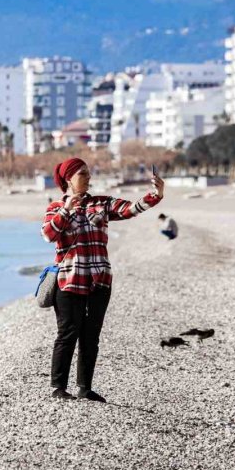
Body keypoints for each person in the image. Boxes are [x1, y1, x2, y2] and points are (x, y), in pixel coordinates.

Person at [41, 157, 164, 402]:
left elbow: (130, 209)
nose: (88, 178)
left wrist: (155, 195)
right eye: (82, 174)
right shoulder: (56, 208)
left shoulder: (101, 203)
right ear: (68, 179)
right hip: (69, 280)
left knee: (91, 335)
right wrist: (67, 210)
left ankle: (85, 388)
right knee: (68, 333)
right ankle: (58, 388)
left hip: (100, 280)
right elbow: (48, 235)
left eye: (88, 173)